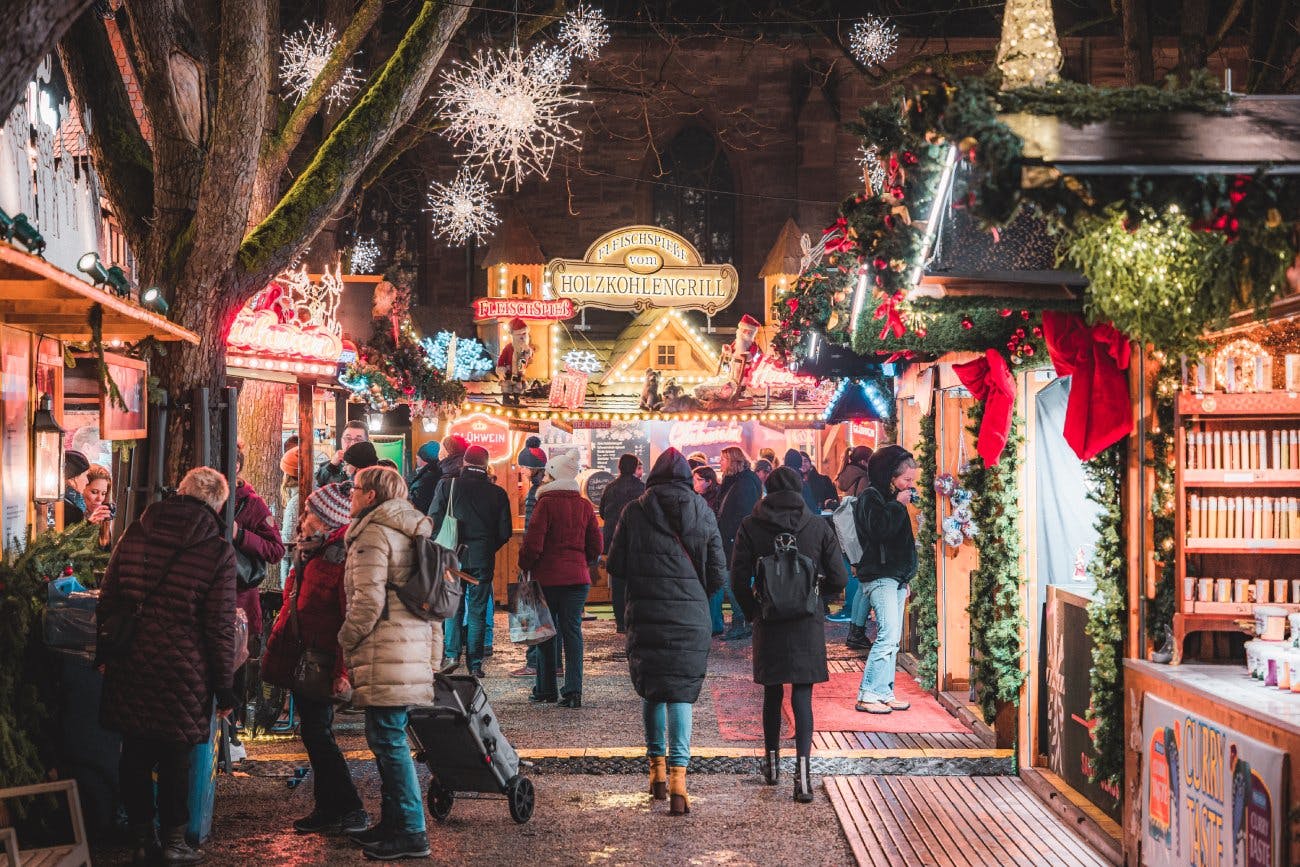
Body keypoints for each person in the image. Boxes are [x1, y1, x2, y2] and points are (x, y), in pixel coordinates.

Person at [97, 467, 238, 865]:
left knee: (135, 754)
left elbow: (108, 596)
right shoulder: (217, 549)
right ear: (217, 504)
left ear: (180, 491)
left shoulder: (138, 530)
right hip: (185, 670)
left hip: (131, 661)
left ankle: (142, 839)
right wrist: (224, 687)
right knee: (177, 757)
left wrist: (104, 653)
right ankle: (174, 842)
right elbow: (219, 627)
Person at [608, 449, 725, 816]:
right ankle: (679, 782)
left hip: (645, 610)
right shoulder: (703, 510)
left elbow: (617, 565)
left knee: (653, 689)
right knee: (681, 693)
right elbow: (719, 573)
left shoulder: (634, 511)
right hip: (690, 614)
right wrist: (694, 593)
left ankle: (655, 773)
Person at [730, 466, 848, 802]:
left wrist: (754, 611)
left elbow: (737, 579)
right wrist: (816, 601)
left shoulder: (751, 526)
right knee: (802, 695)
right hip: (805, 623)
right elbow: (839, 577)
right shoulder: (817, 525)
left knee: (771, 694)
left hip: (769, 621)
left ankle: (771, 767)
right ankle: (804, 776)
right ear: (799, 490)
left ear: (768, 489)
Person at [338, 466, 437, 860]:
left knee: (389, 740)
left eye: (355, 489)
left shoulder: (375, 534)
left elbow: (367, 601)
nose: (351, 495)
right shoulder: (411, 530)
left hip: (387, 648)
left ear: (372, 497)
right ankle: (394, 822)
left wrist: (344, 639)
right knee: (386, 736)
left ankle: (411, 831)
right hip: (408, 647)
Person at [261, 484, 367, 837]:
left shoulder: (339, 557)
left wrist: (341, 671)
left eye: (309, 514)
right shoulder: (314, 552)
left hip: (322, 659)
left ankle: (349, 807)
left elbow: (349, 618)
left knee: (319, 734)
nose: (302, 520)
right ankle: (329, 807)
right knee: (314, 732)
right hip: (305, 655)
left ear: (325, 521)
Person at [518, 451, 602, 708]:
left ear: (553, 476)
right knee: (572, 632)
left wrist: (525, 565)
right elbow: (596, 545)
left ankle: (546, 689)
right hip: (577, 579)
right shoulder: (585, 505)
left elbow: (534, 544)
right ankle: (574, 690)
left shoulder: (545, 503)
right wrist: (581, 562)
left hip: (547, 578)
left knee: (545, 633)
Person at [428, 444, 510, 678]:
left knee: (452, 607)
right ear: (485, 465)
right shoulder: (498, 493)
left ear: (464, 462)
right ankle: (475, 664)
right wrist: (487, 546)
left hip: (453, 557)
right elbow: (504, 533)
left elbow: (433, 519)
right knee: (477, 610)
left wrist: (441, 545)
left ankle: (452, 655)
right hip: (482, 559)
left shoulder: (447, 485)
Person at [228, 448, 287, 760]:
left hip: (237, 602)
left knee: (235, 671)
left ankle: (233, 735)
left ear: (238, 467)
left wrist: (240, 535)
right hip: (207, 600)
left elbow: (276, 550)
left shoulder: (252, 503)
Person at [853, 445, 919, 715]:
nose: (910, 485)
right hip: (880, 576)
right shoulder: (871, 496)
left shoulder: (890, 497)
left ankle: (883, 691)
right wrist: (897, 505)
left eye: (912, 480)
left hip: (895, 577)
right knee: (887, 635)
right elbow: (879, 530)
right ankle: (868, 693)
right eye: (906, 480)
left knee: (892, 639)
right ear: (889, 476)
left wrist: (905, 578)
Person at [713, 447, 761, 641]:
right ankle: (742, 620)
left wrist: (733, 536)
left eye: (723, 459)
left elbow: (742, 513)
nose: (720, 462)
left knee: (731, 581)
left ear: (733, 461)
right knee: (731, 580)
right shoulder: (736, 481)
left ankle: (742, 620)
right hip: (731, 539)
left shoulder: (744, 483)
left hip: (735, 540)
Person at [511, 439, 550, 679]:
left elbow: (531, 532)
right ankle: (550, 663)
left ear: (532, 469)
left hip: (535, 562)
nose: (521, 471)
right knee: (547, 614)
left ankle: (534, 662)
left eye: (523, 467)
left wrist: (525, 561)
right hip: (550, 561)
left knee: (530, 611)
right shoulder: (548, 488)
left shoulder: (535, 494)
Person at [598, 453, 644, 635]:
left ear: (619, 467)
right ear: (634, 468)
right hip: (636, 540)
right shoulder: (641, 488)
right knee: (635, 582)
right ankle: (633, 620)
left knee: (618, 582)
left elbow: (602, 512)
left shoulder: (610, 488)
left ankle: (620, 623)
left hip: (613, 539)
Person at [829, 445, 875, 625]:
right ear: (864, 461)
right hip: (858, 530)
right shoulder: (863, 478)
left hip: (846, 530)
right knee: (859, 573)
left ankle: (851, 612)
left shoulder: (845, 474)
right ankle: (852, 612)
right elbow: (864, 507)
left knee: (850, 569)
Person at [317, 420, 369, 487]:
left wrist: (353, 472)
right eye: (348, 438)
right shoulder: (330, 465)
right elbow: (316, 486)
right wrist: (332, 466)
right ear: (342, 440)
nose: (352, 444)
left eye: (358, 440)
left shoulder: (374, 469)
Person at [82, 464, 114, 549]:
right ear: (82, 489)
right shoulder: (73, 515)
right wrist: (89, 525)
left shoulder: (103, 521)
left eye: (103, 493)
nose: (100, 499)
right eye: (94, 492)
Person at [407, 441, 442, 515]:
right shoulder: (436, 473)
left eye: (417, 458)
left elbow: (421, 503)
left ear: (424, 458)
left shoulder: (427, 478)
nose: (416, 460)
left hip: (424, 518)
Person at [782, 449, 819, 513]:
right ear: (800, 463)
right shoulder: (803, 484)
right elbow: (812, 509)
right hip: (801, 521)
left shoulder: (778, 482)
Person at [63, 449, 91, 524]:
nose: (87, 481)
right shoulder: (72, 511)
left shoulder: (72, 503)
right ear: (72, 478)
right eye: (85, 475)